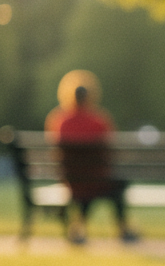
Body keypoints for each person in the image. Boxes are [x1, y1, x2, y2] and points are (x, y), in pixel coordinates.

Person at [45, 70, 139, 245]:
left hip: (72, 181)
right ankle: (123, 228)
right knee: (115, 184)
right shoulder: (99, 121)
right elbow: (110, 152)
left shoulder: (59, 121)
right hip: (98, 180)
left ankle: (78, 227)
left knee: (84, 188)